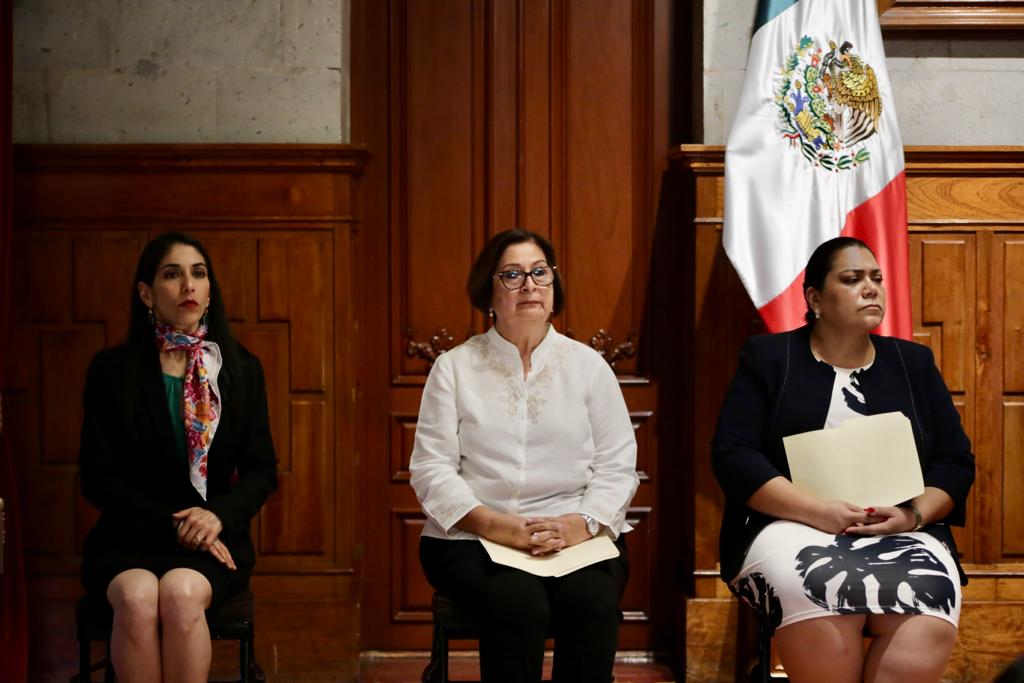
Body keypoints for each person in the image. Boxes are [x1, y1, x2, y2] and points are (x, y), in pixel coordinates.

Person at [712, 236, 975, 683]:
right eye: (852, 279)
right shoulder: (770, 358)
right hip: (789, 524)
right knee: (823, 589)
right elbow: (734, 455)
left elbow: (955, 463)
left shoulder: (913, 363)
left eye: (876, 278)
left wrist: (911, 515)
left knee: (930, 595)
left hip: (899, 527)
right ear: (815, 299)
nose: (871, 288)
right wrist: (816, 511)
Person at [409, 228, 640, 683]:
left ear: (554, 287)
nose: (529, 285)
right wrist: (501, 527)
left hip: (577, 534)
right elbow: (431, 468)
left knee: (592, 602)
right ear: (489, 292)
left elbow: (617, 465)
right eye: (512, 275)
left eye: (540, 273)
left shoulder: (589, 366)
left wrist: (579, 525)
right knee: (518, 603)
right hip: (475, 538)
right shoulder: (454, 368)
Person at [79, 232, 278, 683]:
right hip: (128, 536)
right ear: (147, 294)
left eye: (198, 274)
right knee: (137, 597)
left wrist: (216, 518)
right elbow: (97, 477)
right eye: (172, 274)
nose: (188, 285)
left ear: (209, 292)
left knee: (181, 593)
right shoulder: (111, 371)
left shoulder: (241, 369)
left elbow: (261, 470)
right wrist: (172, 524)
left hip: (213, 539)